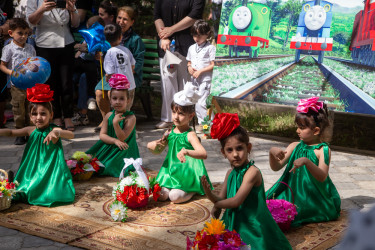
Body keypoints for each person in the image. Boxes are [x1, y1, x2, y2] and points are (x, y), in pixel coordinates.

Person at [201, 113, 292, 249]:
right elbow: (222, 198)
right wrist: (216, 208)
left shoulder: (252, 173)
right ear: (223, 152)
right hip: (234, 221)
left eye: (239, 148)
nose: (235, 154)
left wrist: (212, 197)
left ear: (248, 148)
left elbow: (236, 201)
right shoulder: (230, 173)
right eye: (229, 150)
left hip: (252, 225)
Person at [266, 97, 341, 227]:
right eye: (298, 127)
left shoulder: (322, 150)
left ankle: (308, 210)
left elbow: (322, 176)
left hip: (314, 196)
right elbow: (276, 167)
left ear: (316, 130)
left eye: (301, 127)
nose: (297, 131)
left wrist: (307, 161)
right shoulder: (295, 146)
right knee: (269, 206)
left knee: (291, 214)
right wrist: (272, 153)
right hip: (294, 193)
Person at [0, 84, 75, 207]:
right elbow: (12, 132)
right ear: (30, 116)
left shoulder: (54, 130)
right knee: (24, 189)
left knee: (43, 193)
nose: (38, 118)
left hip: (48, 172)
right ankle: (13, 180)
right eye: (34, 114)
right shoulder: (31, 130)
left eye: (43, 114)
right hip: (32, 170)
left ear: (51, 115)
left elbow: (71, 134)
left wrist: (57, 132)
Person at [147, 82, 212, 203]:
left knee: (175, 197)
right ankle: (173, 186)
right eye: (174, 112)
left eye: (181, 113)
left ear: (191, 115)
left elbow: (203, 153)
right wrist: (152, 146)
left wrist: (187, 152)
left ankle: (193, 189)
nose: (176, 117)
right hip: (170, 171)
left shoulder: (190, 135)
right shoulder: (169, 132)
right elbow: (158, 150)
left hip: (186, 172)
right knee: (160, 195)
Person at [27, 0, 80, 131]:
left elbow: (75, 23)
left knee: (67, 82)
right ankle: (56, 116)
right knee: (51, 83)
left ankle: (68, 116)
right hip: (45, 44)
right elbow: (30, 22)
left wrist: (72, 9)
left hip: (66, 43)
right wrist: (41, 9)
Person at [154, 0, 206, 129]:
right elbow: (157, 16)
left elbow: (194, 16)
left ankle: (185, 118)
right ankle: (168, 118)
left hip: (187, 44)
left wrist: (171, 30)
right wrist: (163, 36)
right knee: (167, 82)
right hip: (166, 44)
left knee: (186, 84)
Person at [95, 5, 145, 132]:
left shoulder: (135, 40)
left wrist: (130, 70)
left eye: (125, 19)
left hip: (129, 76)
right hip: (114, 77)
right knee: (100, 92)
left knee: (121, 99)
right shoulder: (109, 33)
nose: (121, 21)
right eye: (119, 18)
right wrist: (100, 56)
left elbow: (138, 60)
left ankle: (121, 125)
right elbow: (106, 59)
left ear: (132, 22)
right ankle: (107, 120)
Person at [86, 74, 139, 177]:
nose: (118, 102)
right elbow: (102, 135)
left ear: (128, 100)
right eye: (114, 98)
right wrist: (114, 141)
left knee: (110, 166)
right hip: (110, 145)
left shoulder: (130, 118)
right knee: (92, 162)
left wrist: (116, 124)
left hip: (124, 149)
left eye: (122, 99)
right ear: (110, 100)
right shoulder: (108, 115)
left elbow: (122, 137)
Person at [0, 18, 36, 145]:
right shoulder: (9, 48)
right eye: (20, 33)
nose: (24, 36)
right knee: (18, 108)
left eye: (26, 33)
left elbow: (34, 63)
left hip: (31, 84)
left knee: (30, 107)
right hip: (16, 85)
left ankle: (31, 132)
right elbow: (2, 65)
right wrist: (11, 72)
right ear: (11, 33)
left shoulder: (30, 48)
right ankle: (20, 132)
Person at [186, 19, 215, 125]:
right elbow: (189, 61)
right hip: (194, 80)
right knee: (196, 103)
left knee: (202, 103)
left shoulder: (210, 48)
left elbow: (213, 64)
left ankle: (209, 125)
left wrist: (201, 71)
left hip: (205, 80)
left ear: (207, 34)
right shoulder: (191, 48)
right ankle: (204, 125)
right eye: (194, 35)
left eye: (199, 35)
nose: (196, 38)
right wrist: (189, 67)